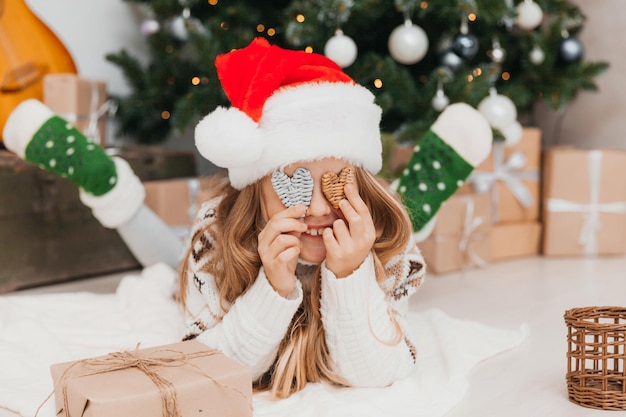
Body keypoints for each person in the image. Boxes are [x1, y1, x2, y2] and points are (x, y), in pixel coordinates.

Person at [3, 37, 492, 399]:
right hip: (224, 249)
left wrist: (350, 275)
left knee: (389, 224)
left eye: (338, 182)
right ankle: (106, 179)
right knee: (169, 264)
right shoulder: (218, 234)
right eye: (295, 182)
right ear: (258, 189)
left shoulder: (383, 247)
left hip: (372, 232)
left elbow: (374, 371)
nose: (320, 209)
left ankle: (414, 196)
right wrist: (274, 291)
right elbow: (217, 368)